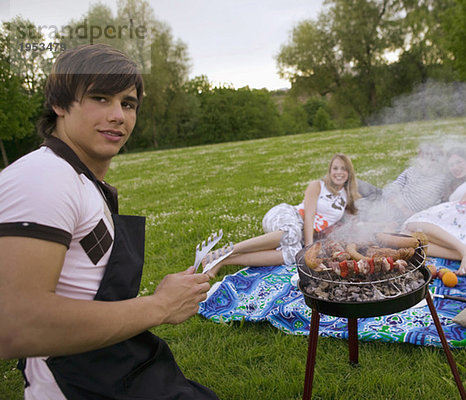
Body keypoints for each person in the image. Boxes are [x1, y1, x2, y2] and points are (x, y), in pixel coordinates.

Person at [0, 44, 218, 399]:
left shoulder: (80, 179)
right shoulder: (42, 178)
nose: (118, 115)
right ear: (59, 104)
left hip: (117, 371)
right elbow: (14, 325)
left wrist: (170, 294)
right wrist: (160, 305)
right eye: (100, 98)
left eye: (128, 103)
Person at [203, 153, 360, 277]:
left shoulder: (347, 196)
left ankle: (223, 261)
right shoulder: (317, 185)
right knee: (293, 234)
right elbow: (309, 216)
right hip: (286, 216)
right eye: (335, 168)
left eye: (343, 169)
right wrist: (309, 247)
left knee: (294, 255)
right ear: (330, 170)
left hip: (297, 233)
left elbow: (357, 217)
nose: (339, 172)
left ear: (349, 173)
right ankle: (223, 251)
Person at [400, 147, 466, 275]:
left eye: (459, 162)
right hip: (457, 217)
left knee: (413, 224)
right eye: (451, 165)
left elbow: (464, 205)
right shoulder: (452, 185)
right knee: (409, 239)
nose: (456, 167)